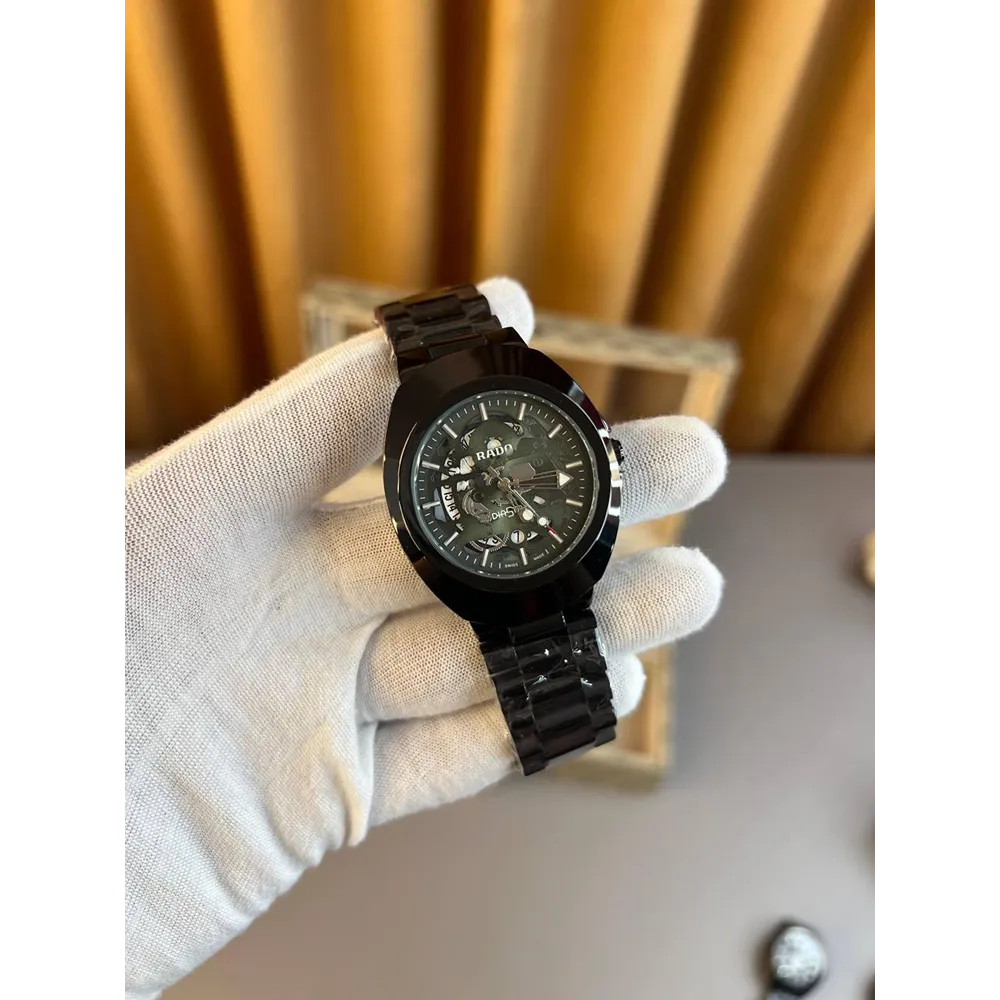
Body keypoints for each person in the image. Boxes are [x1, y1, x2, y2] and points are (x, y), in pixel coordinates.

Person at [122, 278, 726, 999]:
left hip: (550, 549)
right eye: (484, 485)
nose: (502, 485)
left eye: (514, 476)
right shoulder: (430, 510)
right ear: (410, 512)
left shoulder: (554, 463)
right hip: (504, 555)